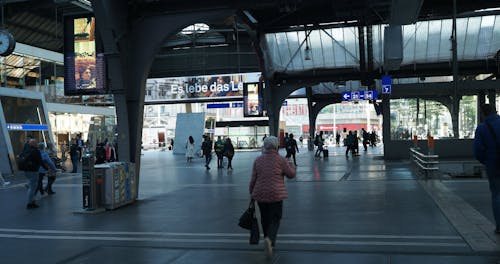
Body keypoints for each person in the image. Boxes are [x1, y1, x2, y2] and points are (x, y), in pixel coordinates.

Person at [249, 136, 296, 258]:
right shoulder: (281, 160)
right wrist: (291, 164)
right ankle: (270, 240)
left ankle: (267, 240)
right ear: (277, 146)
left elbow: (253, 179)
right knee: (275, 218)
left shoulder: (258, 160)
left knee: (265, 219)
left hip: (260, 194)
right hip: (276, 194)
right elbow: (291, 175)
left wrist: (252, 194)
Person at [474, 104, 500, 234]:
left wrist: (487, 161)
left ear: (483, 114)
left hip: (493, 165)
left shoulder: (482, 128)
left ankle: (499, 226)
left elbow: (478, 150)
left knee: (496, 194)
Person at [19, 139, 47, 209]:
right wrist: (47, 168)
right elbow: (40, 161)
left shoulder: (26, 150)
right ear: (34, 144)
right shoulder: (36, 151)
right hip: (33, 170)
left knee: (32, 184)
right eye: (36, 143)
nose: (37, 144)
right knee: (33, 188)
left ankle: (31, 195)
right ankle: (30, 203)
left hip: (26, 170)